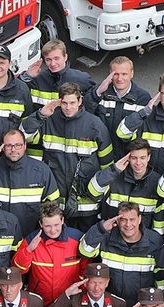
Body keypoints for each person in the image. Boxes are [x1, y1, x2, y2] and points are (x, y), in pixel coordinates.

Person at [21, 81, 112, 224]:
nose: (68, 107)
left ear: (80, 101)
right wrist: (40, 115)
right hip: (56, 206)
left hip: (87, 206)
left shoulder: (95, 125)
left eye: (72, 102)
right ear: (59, 102)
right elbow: (23, 136)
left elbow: (107, 166)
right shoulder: (49, 121)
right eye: (64, 103)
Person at [0, 130, 61, 230]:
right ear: (2, 147)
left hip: (30, 237)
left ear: (25, 146)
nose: (13, 149)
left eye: (18, 145)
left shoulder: (42, 170)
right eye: (9, 145)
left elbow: (53, 206)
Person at [79, 202, 164, 303]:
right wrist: (101, 229)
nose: (128, 224)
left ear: (140, 219)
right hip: (110, 306)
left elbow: (161, 276)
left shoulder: (155, 241)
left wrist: (161, 303)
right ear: (117, 221)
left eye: (132, 219)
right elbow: (84, 251)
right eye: (123, 220)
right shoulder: (106, 237)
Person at [11, 201, 86, 306]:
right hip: (39, 301)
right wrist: (28, 250)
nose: (53, 230)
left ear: (62, 220)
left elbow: (85, 269)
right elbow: (18, 270)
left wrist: (81, 292)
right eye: (47, 226)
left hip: (70, 300)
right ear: (41, 224)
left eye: (56, 225)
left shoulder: (77, 238)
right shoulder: (32, 239)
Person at [90, 139, 164, 232]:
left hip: (140, 243)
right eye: (134, 158)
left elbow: (158, 228)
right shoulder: (114, 177)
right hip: (110, 238)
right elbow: (92, 192)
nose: (138, 163)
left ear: (148, 157)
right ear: (128, 158)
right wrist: (114, 170)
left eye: (142, 158)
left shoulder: (157, 183)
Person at [85, 56, 152, 161]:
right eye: (115, 74)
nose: (120, 78)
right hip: (102, 155)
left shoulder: (143, 98)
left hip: (128, 157)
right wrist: (97, 93)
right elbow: (86, 114)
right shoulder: (100, 92)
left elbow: (144, 132)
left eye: (124, 74)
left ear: (132, 74)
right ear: (110, 74)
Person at [20, 39, 94, 111]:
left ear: (65, 57)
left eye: (56, 58)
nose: (52, 64)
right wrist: (26, 76)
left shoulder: (81, 79)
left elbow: (92, 103)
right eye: (48, 59)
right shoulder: (37, 79)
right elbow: (16, 92)